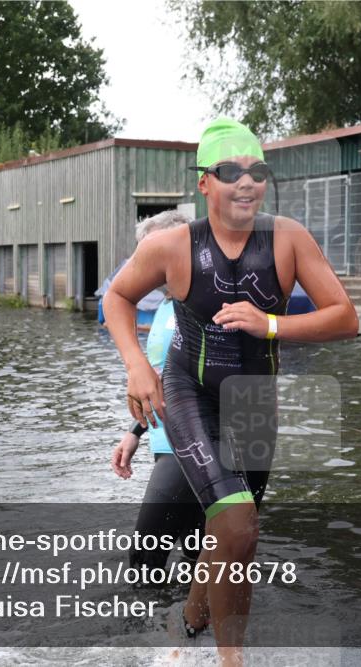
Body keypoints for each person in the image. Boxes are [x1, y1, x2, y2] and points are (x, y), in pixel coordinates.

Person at [104, 117, 358, 665]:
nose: (246, 183)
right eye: (230, 171)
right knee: (237, 522)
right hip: (190, 393)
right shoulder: (173, 246)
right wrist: (135, 367)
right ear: (204, 183)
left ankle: (187, 631)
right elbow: (117, 298)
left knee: (235, 538)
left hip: (253, 405)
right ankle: (231, 661)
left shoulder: (288, 239)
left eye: (257, 171)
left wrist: (271, 325)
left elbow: (345, 317)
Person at [110, 210, 205, 573]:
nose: (142, 264)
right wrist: (136, 431)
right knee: (197, 556)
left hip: (193, 447)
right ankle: (189, 627)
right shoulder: (168, 304)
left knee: (144, 557)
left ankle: (138, 629)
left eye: (149, 253)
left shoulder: (202, 303)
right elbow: (162, 376)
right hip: (166, 442)